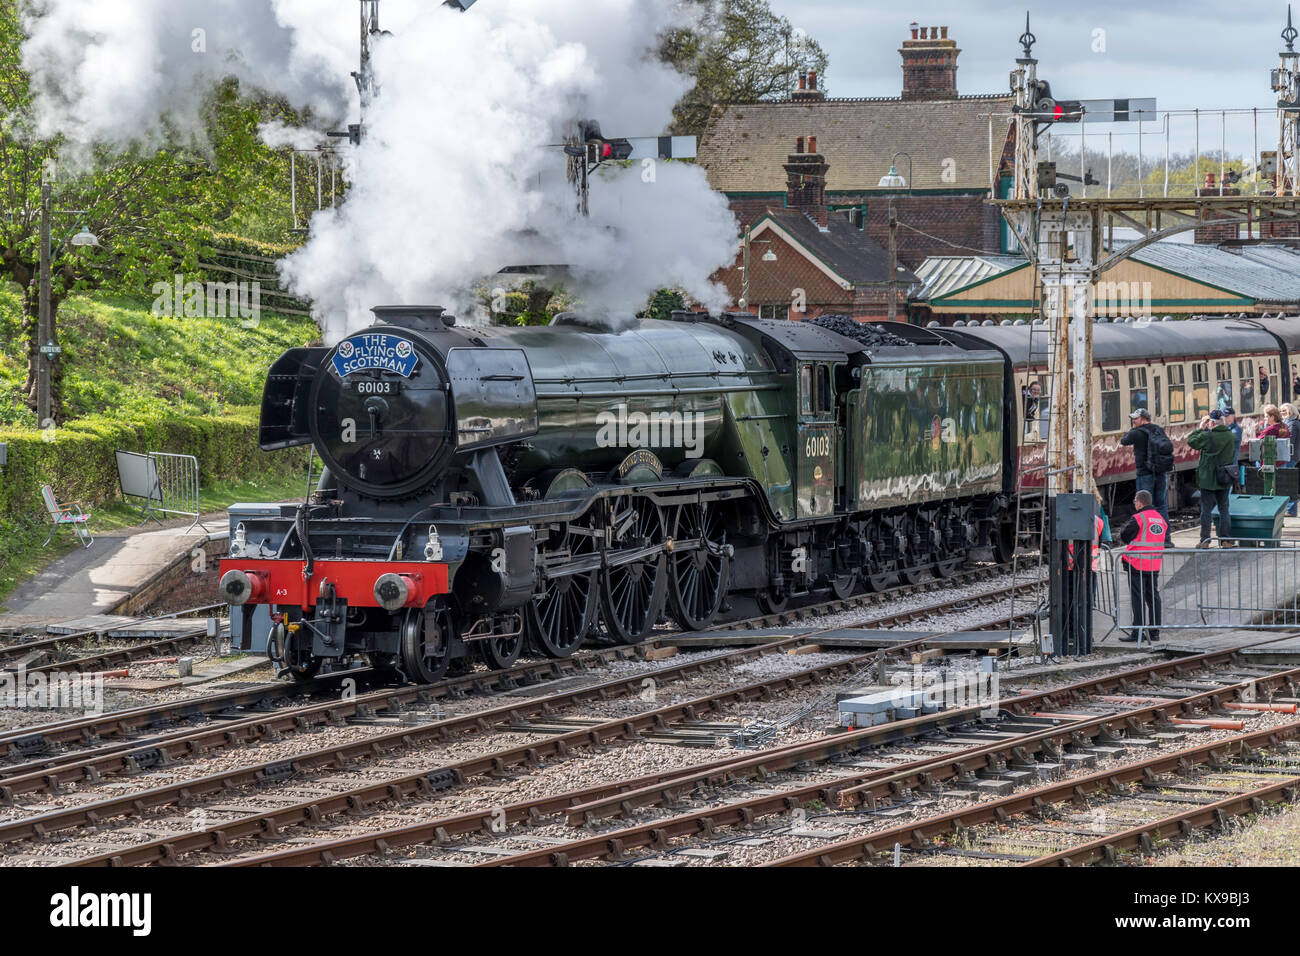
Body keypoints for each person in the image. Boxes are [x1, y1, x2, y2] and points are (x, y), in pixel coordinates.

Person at [1118, 489, 1165, 644]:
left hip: (1137, 564)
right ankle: (1155, 632)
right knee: (1153, 597)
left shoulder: (1139, 518)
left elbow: (1124, 535)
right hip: (1154, 564)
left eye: (1135, 502)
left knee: (1137, 598)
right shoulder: (1160, 519)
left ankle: (1137, 632)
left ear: (1139, 502)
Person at [1120, 407, 1173, 537]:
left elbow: (1124, 440)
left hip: (1144, 474)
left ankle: (1148, 536)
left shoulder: (1137, 433)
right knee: (1161, 506)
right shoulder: (1158, 430)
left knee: (1144, 507)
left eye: (1135, 418)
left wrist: (1133, 428)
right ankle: (1165, 538)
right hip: (1160, 473)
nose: (1133, 421)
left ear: (1143, 419)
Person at [1188, 411, 1237, 548]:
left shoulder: (1207, 435)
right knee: (1224, 509)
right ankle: (1226, 540)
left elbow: (1191, 441)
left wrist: (1200, 428)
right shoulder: (1230, 435)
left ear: (1212, 422)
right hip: (1225, 477)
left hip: (1208, 479)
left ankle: (1205, 540)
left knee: (1206, 510)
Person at [1282, 402, 1300, 517]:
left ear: (1290, 411)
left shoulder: (1292, 424)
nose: (1281, 413)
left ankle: (1291, 509)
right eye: (1281, 411)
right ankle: (1290, 509)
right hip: (1292, 455)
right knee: (1290, 482)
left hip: (1290, 456)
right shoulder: (1292, 422)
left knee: (1288, 482)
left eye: (1284, 410)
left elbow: (1290, 442)